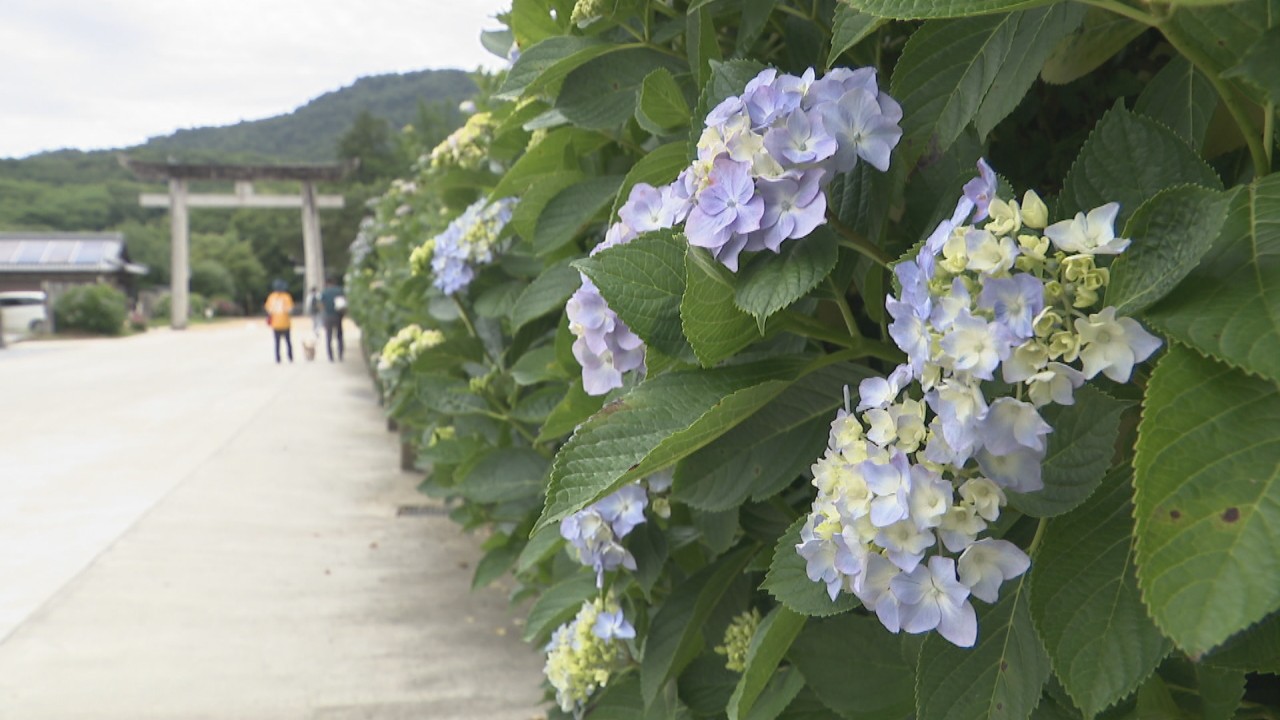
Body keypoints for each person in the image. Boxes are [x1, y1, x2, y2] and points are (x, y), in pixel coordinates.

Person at [264, 279, 294, 364]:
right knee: (288, 341)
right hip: (285, 323)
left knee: (277, 342)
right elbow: (290, 309)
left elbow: (268, 309)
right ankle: (290, 356)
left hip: (275, 323)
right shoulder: (286, 296)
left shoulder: (271, 297)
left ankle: (278, 358)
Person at [319, 275, 346, 362]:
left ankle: (330, 356)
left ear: (327, 283)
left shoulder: (324, 292)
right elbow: (343, 302)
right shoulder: (339, 290)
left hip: (328, 316)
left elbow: (321, 304)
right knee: (339, 335)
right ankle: (340, 354)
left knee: (329, 336)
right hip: (337, 315)